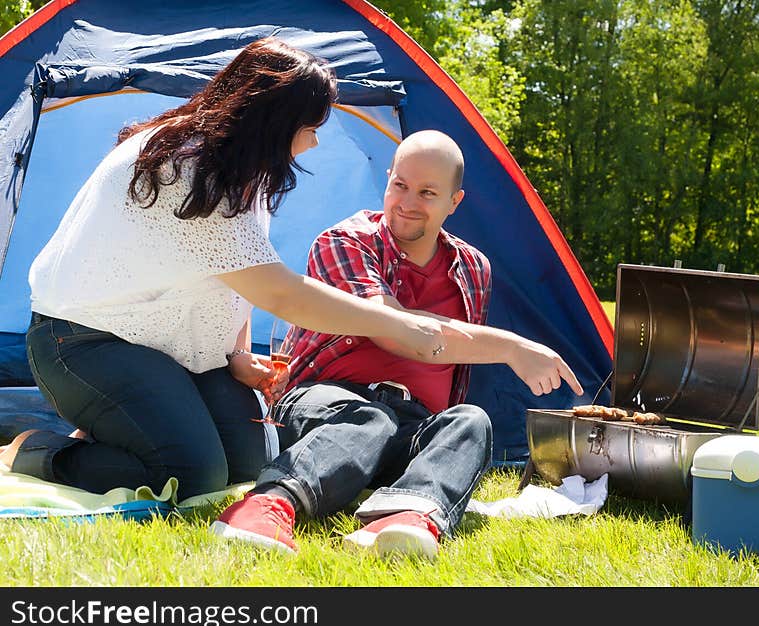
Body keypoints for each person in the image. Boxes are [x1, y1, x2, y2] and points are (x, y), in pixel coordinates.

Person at [0, 39, 465, 501]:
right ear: (276, 121)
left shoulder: (244, 171)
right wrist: (399, 323)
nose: (316, 140)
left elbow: (235, 277)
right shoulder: (186, 168)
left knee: (250, 464)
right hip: (84, 342)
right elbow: (280, 294)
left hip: (173, 349)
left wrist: (239, 353)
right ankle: (37, 451)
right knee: (191, 474)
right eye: (311, 126)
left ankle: (123, 429)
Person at [211, 130, 584, 559]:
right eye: (400, 185)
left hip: (408, 422)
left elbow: (452, 368)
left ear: (454, 202)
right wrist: (512, 347)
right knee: (371, 419)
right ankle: (266, 505)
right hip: (325, 406)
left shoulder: (473, 268)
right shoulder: (345, 242)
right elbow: (396, 329)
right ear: (387, 178)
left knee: (471, 422)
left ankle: (405, 516)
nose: (407, 203)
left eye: (427, 192)